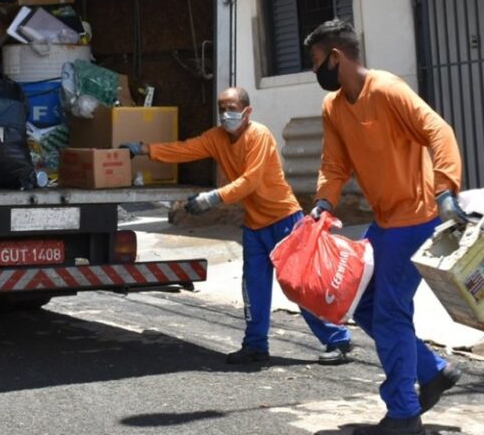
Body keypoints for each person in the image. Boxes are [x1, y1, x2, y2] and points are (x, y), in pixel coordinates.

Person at [304, 19, 464, 435]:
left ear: (335, 57)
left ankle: (404, 414)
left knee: (390, 313)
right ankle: (432, 370)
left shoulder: (388, 89)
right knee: (359, 300)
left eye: (316, 60)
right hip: (385, 222)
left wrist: (446, 189)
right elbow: (333, 164)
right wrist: (323, 203)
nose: (313, 69)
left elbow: (439, 131)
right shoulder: (333, 107)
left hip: (417, 219)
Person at [120, 86, 352, 365]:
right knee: (253, 288)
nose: (225, 115)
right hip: (254, 225)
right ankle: (255, 345)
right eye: (221, 109)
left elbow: (250, 180)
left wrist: (213, 198)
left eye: (231, 109)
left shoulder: (259, 135)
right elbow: (185, 149)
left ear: (247, 111)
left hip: (284, 222)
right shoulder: (216, 138)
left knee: (298, 286)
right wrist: (144, 149)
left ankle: (338, 340)